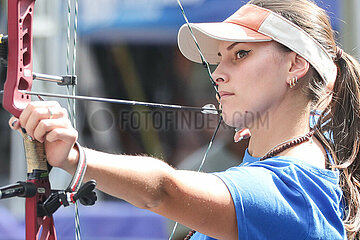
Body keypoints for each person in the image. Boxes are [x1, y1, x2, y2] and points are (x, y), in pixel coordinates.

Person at [8, 0, 360, 239]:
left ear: (296, 64)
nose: (218, 73)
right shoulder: (291, 160)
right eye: (220, 58)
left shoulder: (295, 191)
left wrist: (74, 158)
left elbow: (164, 190)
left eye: (241, 54)